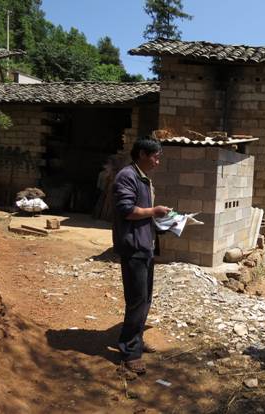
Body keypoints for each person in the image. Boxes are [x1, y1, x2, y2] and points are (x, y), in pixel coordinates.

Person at [112, 137, 170, 374]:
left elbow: (142, 213)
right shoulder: (127, 176)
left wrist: (164, 221)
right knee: (136, 299)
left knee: (145, 299)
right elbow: (126, 210)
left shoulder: (142, 177)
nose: (157, 162)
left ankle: (135, 339)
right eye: (155, 157)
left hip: (145, 245)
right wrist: (154, 211)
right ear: (143, 155)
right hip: (133, 247)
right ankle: (130, 352)